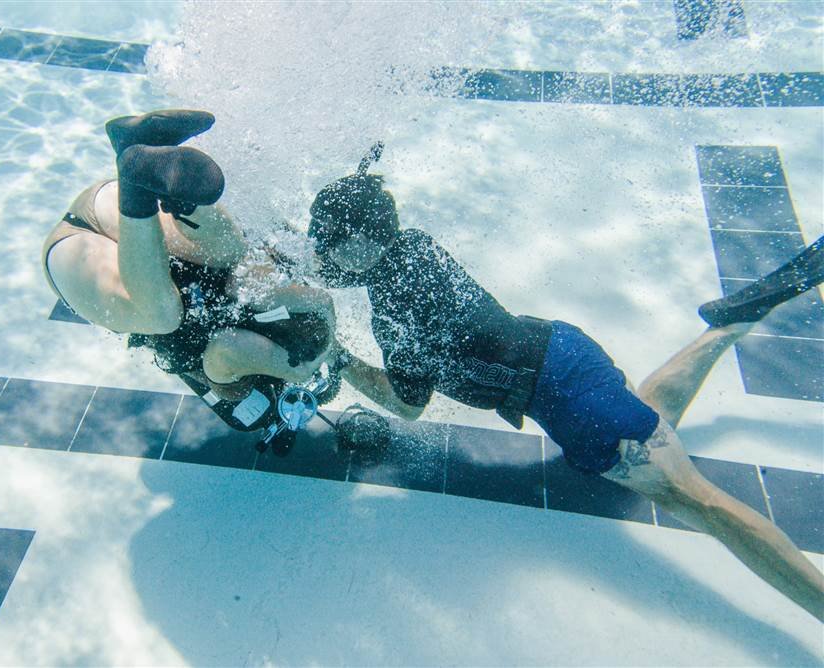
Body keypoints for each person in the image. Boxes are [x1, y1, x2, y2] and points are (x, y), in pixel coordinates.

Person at [308, 161, 824, 622]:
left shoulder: (395, 312)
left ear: (360, 244)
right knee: (649, 417)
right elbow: (349, 261)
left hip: (575, 406)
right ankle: (728, 324)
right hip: (564, 350)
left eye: (328, 240)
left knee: (703, 506)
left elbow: (406, 405)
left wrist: (338, 354)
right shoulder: (411, 244)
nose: (322, 251)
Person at [42, 110, 336, 433]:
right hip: (108, 236)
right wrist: (293, 368)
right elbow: (226, 349)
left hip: (103, 220)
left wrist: (325, 344)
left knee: (230, 255)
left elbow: (315, 303)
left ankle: (139, 157)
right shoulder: (242, 361)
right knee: (169, 312)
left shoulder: (263, 305)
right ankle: (141, 170)